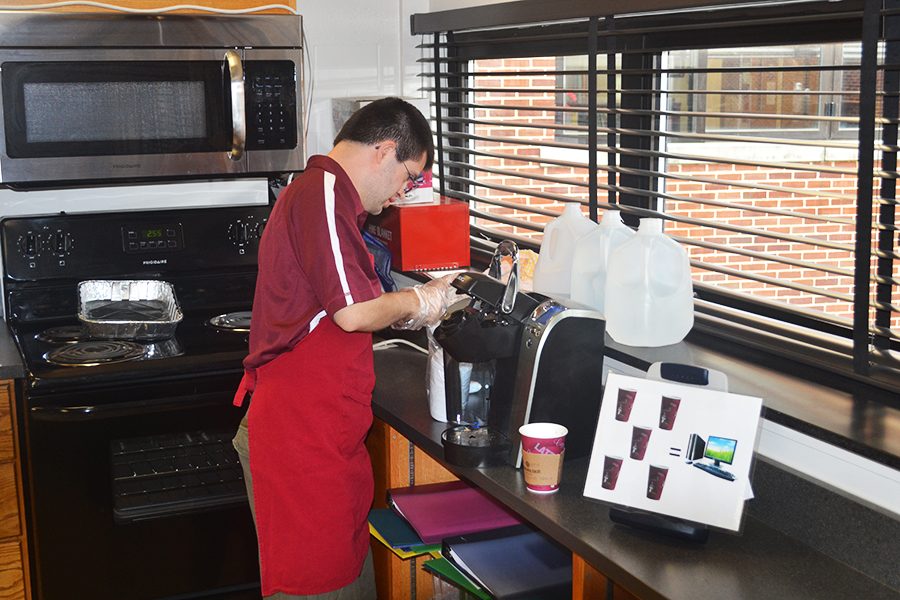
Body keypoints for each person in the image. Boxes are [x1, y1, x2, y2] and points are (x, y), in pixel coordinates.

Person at [232, 97, 452, 599]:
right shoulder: (324, 193)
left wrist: (411, 303)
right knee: (321, 587)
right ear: (385, 150)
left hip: (323, 439)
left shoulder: (323, 196)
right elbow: (351, 311)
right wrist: (422, 298)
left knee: (344, 579)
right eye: (410, 176)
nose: (404, 193)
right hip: (299, 444)